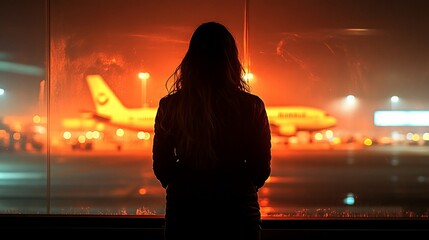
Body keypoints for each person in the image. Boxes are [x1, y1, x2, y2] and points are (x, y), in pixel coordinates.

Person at [152, 21, 271, 240]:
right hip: (238, 212)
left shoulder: (170, 106)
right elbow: (260, 168)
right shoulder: (252, 105)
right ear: (231, 61)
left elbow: (162, 166)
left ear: (190, 61)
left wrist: (184, 186)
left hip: (186, 210)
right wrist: (237, 186)